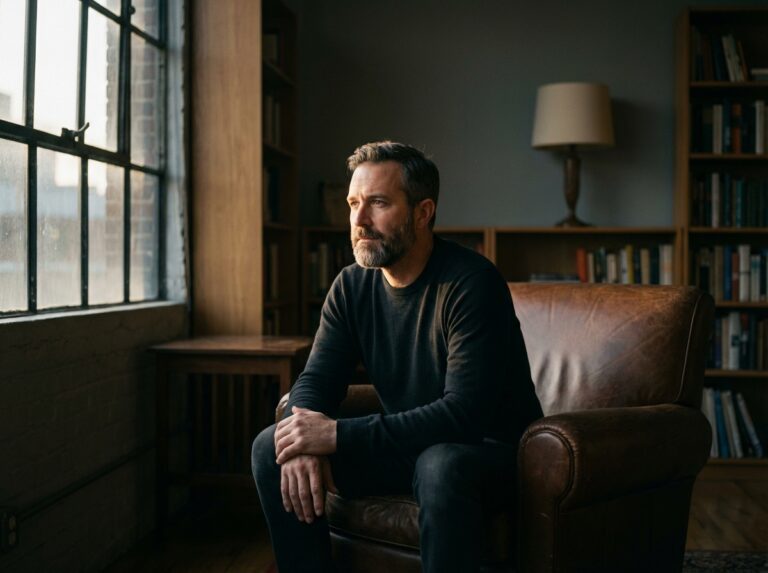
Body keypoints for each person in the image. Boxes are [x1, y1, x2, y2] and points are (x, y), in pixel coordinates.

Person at [251, 141, 542, 573]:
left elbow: (463, 414)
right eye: (354, 204)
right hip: (408, 447)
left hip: (490, 454)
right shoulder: (351, 286)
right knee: (269, 448)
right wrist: (302, 436)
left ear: (423, 213)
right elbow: (317, 378)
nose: (359, 221)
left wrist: (336, 435)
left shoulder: (472, 283)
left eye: (378, 203)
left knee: (440, 464)